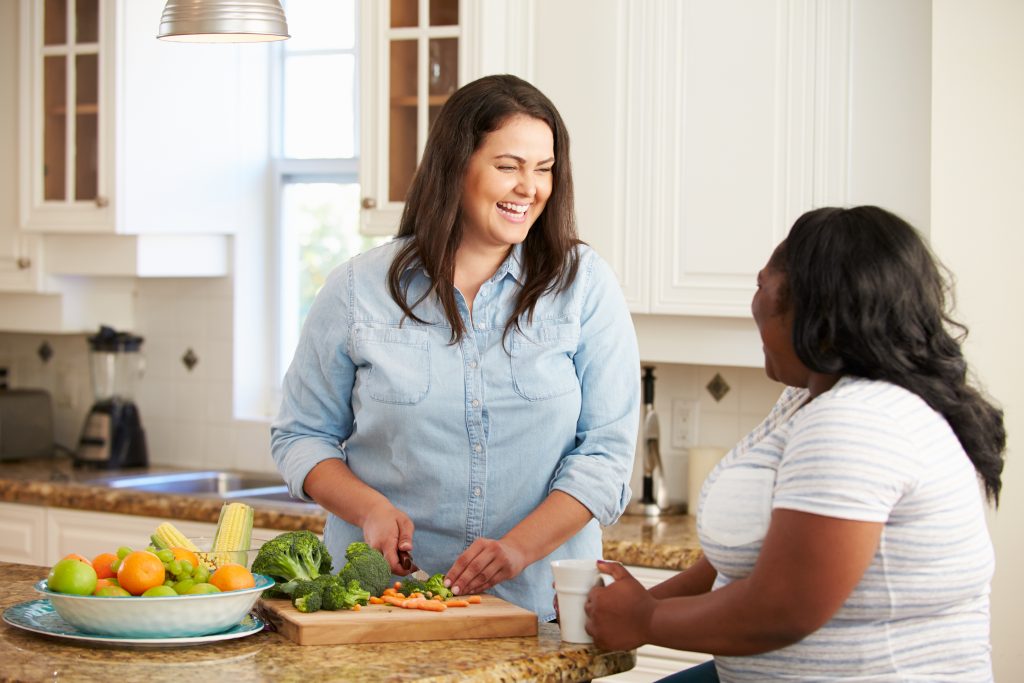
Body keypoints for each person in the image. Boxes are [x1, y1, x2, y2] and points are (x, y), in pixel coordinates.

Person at [271, 74, 640, 620]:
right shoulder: (357, 290)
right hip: (379, 609)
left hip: (539, 606)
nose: (530, 187)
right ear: (456, 165)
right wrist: (369, 508)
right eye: (508, 166)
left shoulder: (584, 286)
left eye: (543, 170)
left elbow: (606, 457)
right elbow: (301, 435)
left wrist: (517, 550)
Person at [584, 206, 1005, 682]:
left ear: (814, 306)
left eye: (762, 286)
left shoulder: (859, 421)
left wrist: (645, 620)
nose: (755, 306)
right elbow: (748, 559)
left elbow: (784, 607)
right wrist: (640, 600)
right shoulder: (806, 400)